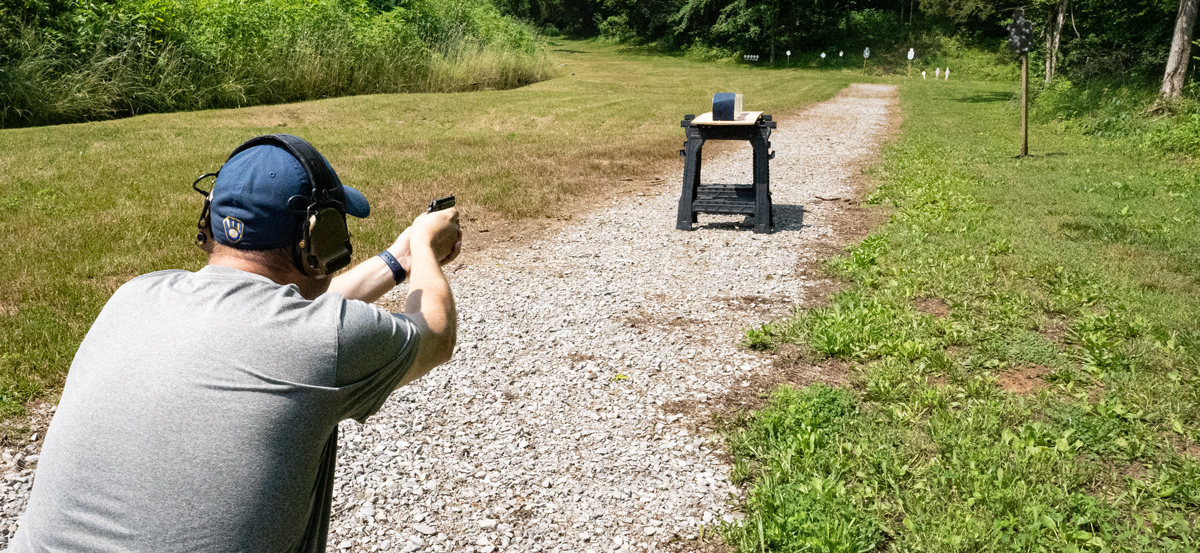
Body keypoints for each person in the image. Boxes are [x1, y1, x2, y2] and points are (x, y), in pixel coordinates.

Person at [9, 134, 461, 552]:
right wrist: (424, 245)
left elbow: (288, 323)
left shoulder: (136, 295)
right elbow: (436, 334)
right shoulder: (325, 339)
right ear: (317, 235)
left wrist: (397, 259)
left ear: (211, 219)